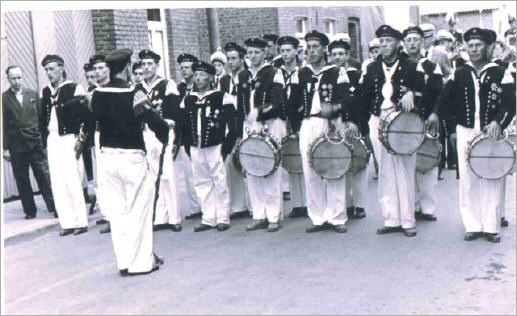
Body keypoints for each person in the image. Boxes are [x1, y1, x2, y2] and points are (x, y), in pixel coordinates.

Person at [91, 48, 167, 276]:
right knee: (138, 212)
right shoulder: (134, 93)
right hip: (132, 157)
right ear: (126, 68)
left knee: (118, 213)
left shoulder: (97, 94)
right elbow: (158, 125)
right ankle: (141, 263)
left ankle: (124, 261)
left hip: (107, 157)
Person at [438, 27, 515, 243]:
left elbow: (511, 102)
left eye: (478, 45)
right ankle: (472, 225)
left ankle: (491, 226)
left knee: (491, 174)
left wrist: (498, 122)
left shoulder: (501, 72)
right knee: (468, 178)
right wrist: (451, 130)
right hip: (466, 129)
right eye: (470, 45)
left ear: (487, 47)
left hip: (491, 130)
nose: (474, 49)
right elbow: (446, 102)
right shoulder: (460, 72)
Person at [288, 30, 358, 233]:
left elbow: (347, 99)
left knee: (334, 168)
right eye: (308, 47)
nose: (311, 51)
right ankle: (317, 217)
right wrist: (295, 125)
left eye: (315, 46)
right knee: (310, 170)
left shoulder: (336, 72)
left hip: (331, 124)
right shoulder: (301, 73)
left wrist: (335, 111)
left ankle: (337, 217)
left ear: (324, 49)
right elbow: (292, 104)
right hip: (309, 124)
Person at [362, 25, 426, 237]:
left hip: (403, 122)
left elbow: (424, 91)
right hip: (378, 120)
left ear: (398, 43)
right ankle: (391, 218)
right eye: (381, 40)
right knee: (385, 171)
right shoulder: (371, 67)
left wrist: (413, 94)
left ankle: (407, 220)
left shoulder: (411, 65)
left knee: (405, 169)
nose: (384, 44)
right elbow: (364, 96)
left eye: (388, 40)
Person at [237, 37, 286, 232]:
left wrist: (259, 111)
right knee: (252, 168)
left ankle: (274, 215)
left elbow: (278, 102)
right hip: (248, 126)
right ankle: (259, 214)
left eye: (257, 52)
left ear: (265, 53)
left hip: (269, 124)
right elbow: (240, 105)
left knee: (270, 168)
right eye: (249, 52)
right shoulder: (243, 75)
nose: (253, 56)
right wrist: (241, 127)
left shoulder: (274, 73)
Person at [180, 61, 237, 232]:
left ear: (211, 77)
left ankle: (222, 217)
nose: (198, 78)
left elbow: (231, 125)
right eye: (196, 75)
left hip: (215, 145)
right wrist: (187, 145)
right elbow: (183, 125)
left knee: (219, 180)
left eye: (202, 75)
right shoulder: (188, 99)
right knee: (201, 182)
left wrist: (225, 148)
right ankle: (208, 217)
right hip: (196, 146)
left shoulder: (220, 97)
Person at [40, 54, 90, 236]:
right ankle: (67, 222)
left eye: (52, 69)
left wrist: (81, 139)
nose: (49, 73)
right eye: (46, 69)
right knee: (58, 181)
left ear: (61, 68)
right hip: (52, 139)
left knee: (72, 179)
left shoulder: (73, 88)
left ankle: (80, 221)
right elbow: (42, 118)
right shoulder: (46, 92)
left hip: (70, 138)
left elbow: (85, 117)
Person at [137, 49, 182, 232]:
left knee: (167, 175)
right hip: (146, 133)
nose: (146, 68)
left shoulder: (167, 84)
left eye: (150, 64)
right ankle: (159, 216)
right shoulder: (138, 87)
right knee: (152, 175)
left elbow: (174, 112)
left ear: (157, 65)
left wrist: (171, 129)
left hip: (164, 131)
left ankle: (174, 217)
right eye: (143, 64)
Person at [2, 65, 56, 219]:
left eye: (19, 77)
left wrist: (42, 141)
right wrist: (5, 148)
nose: (17, 81)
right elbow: (2, 125)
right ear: (8, 79)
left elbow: (40, 119)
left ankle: (53, 206)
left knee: (44, 175)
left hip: (34, 142)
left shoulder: (32, 94)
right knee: (22, 178)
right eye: (13, 78)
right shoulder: (4, 99)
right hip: (16, 146)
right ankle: (30, 210)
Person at [402, 26, 443, 222]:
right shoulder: (401, 66)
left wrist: (435, 113)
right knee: (407, 163)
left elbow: (439, 93)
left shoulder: (432, 67)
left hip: (427, 118)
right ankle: (413, 205)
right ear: (404, 43)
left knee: (427, 161)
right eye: (408, 39)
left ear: (422, 42)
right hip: (405, 122)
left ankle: (428, 208)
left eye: (416, 39)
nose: (412, 43)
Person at [329, 39, 368, 220]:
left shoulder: (356, 75)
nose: (337, 57)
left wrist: (354, 122)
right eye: (334, 54)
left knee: (358, 161)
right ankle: (346, 203)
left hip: (353, 123)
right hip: (336, 123)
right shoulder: (328, 75)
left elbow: (360, 103)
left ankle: (359, 204)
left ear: (347, 55)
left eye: (341, 54)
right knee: (340, 161)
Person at [272, 35, 308, 219]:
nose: (285, 54)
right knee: (290, 158)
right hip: (282, 119)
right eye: (282, 51)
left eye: (288, 50)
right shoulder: (278, 73)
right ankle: (297, 203)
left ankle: (309, 202)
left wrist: (299, 122)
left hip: (300, 119)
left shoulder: (302, 72)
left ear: (296, 51)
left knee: (304, 159)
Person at [217, 42, 250, 219]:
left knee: (249, 162)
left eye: (234, 58)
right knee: (230, 163)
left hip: (247, 123)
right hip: (230, 124)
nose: (230, 62)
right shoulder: (224, 80)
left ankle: (254, 205)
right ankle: (239, 205)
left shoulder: (247, 76)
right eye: (228, 59)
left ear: (242, 59)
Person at [176, 53, 203, 219]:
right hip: (184, 133)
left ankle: (206, 205)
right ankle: (195, 207)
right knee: (188, 172)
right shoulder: (179, 88)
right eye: (182, 68)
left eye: (187, 67)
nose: (184, 71)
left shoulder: (201, 86)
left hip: (198, 130)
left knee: (201, 170)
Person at [88, 54, 112, 233]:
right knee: (103, 177)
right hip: (99, 135)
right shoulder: (92, 92)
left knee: (114, 176)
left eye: (101, 68)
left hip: (115, 135)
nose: (97, 72)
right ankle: (110, 216)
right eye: (95, 69)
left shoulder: (114, 88)